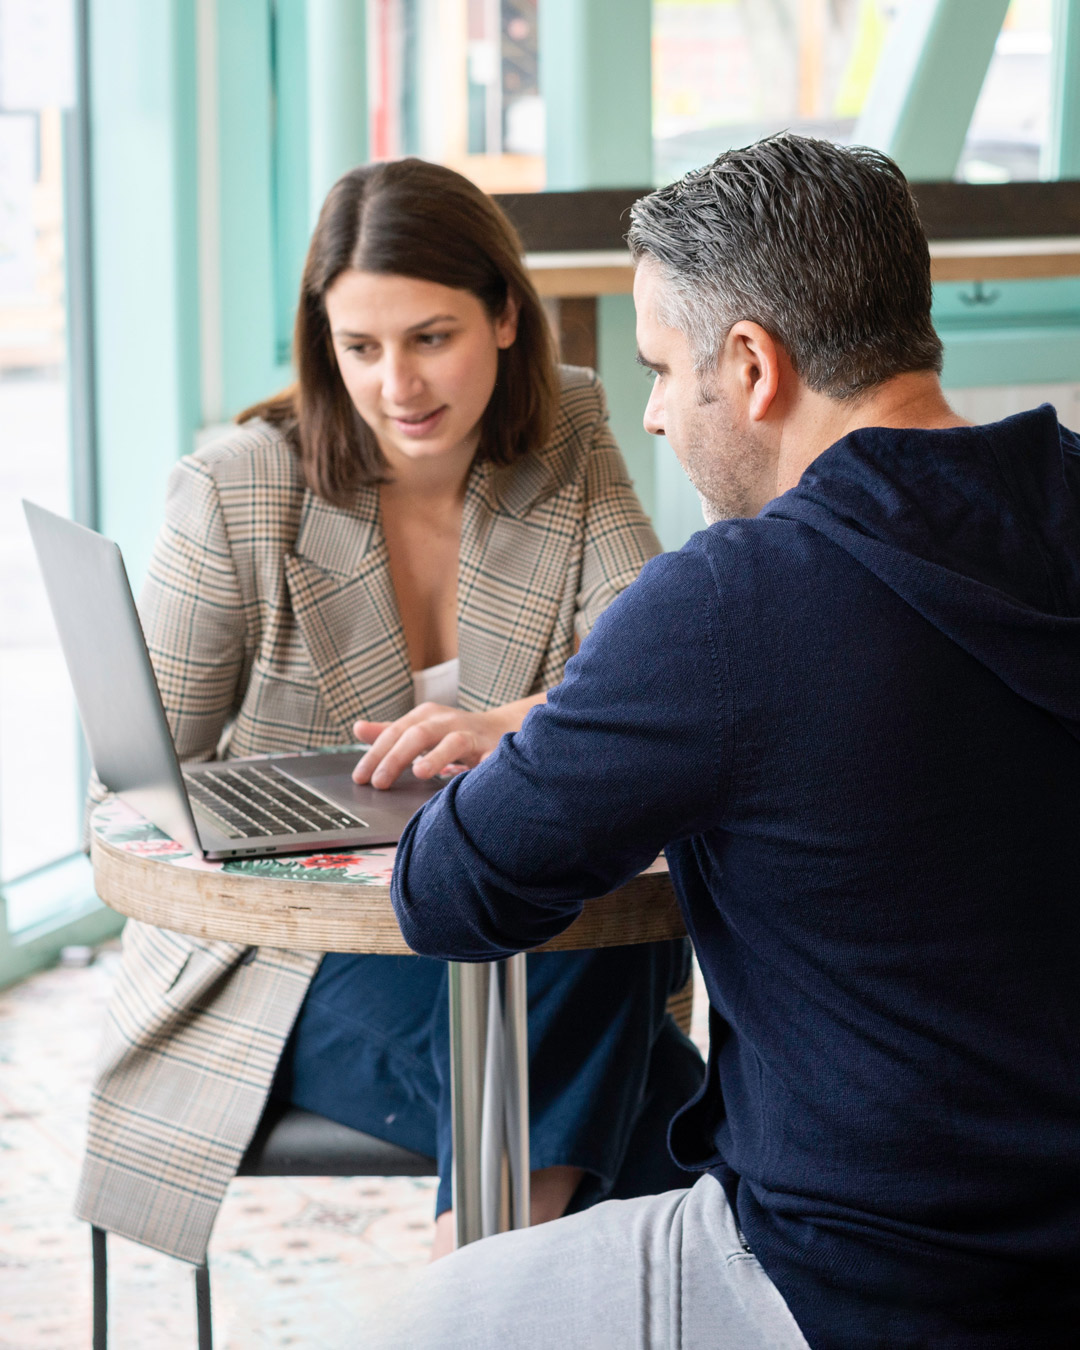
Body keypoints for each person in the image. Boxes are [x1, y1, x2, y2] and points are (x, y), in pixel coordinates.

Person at [376, 134, 1080, 1348]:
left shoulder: (728, 605)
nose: (651, 414)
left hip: (864, 1284)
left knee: (431, 1324)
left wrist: (586, 721)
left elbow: (447, 893)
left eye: (660, 368)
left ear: (753, 366)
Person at [75, 158, 703, 1267]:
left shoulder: (567, 428)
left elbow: (653, 672)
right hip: (289, 958)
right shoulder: (238, 488)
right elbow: (135, 782)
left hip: (506, 921)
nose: (396, 384)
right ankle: (476, 1304)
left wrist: (513, 723)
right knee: (682, 1103)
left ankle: (466, 1298)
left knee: (581, 963)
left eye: (430, 337)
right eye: (359, 348)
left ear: (504, 317)